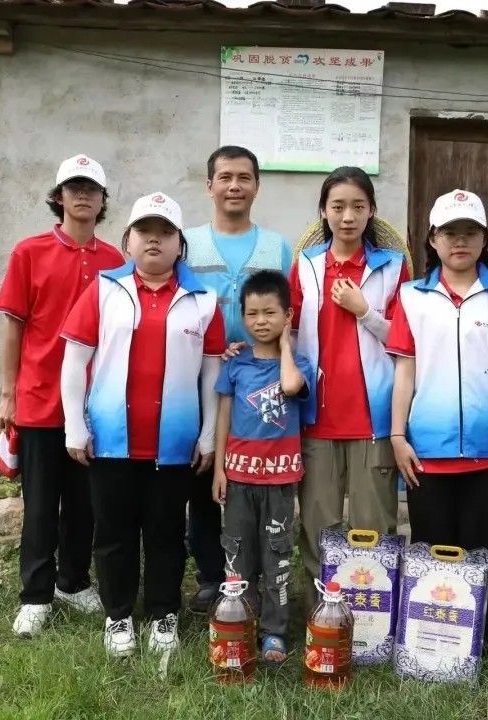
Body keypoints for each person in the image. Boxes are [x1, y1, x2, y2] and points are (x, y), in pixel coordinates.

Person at [59, 192, 226, 658]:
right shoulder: (103, 290)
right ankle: (118, 616)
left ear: (180, 244)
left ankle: (163, 614)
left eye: (166, 232)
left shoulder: (203, 300)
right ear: (127, 241)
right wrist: (74, 426)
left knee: (166, 533)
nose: (154, 240)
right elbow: (75, 361)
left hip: (174, 442)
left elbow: (212, 374)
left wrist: (208, 435)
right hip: (111, 439)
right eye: (144, 231)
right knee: (113, 533)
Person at [386, 189, 488, 645]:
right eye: (449, 232)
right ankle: (429, 645)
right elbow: (405, 370)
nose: (460, 241)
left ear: (485, 238)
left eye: (470, 232)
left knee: (479, 552)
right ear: (433, 239)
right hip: (426, 449)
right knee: (430, 550)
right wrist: (397, 436)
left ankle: (477, 645)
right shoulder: (411, 297)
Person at [0, 154, 124, 638]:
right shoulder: (29, 252)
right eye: (74, 188)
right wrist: (7, 394)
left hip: (96, 405)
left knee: (85, 504)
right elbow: (12, 327)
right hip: (40, 399)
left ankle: (73, 581)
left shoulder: (116, 262)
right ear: (59, 197)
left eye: (92, 189)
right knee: (42, 505)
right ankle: (36, 595)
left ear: (103, 200)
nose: (83, 195)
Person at [288, 166, 412, 612]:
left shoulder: (392, 268)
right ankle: (321, 620)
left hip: (373, 419)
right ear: (323, 211)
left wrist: (365, 312)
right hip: (316, 418)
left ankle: (370, 625)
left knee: (373, 528)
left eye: (358, 206)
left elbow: (405, 339)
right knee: (318, 529)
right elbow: (287, 331)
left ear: (372, 211)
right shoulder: (306, 266)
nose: (347, 216)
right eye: (338, 206)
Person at [183, 145, 294, 613]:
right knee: (205, 474)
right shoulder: (188, 244)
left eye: (244, 177)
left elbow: (289, 312)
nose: (234, 186)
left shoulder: (276, 247)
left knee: (255, 481)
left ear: (256, 187)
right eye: (225, 177)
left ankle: (265, 577)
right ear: (209, 186)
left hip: (259, 382)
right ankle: (213, 576)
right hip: (197, 376)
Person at [211, 270, 315, 665]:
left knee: (277, 559)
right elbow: (223, 416)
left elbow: (290, 388)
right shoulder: (235, 365)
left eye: (270, 313)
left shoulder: (299, 364)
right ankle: (241, 623)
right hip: (238, 479)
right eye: (252, 313)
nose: (260, 321)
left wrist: (285, 346)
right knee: (238, 556)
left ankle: (274, 632)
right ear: (242, 317)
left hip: (279, 482)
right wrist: (219, 469)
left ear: (287, 316)